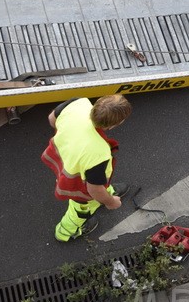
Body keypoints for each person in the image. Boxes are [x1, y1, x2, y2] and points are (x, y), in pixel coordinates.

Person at [40, 94, 131, 241]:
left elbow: (52, 119)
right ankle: (65, 232)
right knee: (80, 208)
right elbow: (93, 188)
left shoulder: (78, 103)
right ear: (112, 125)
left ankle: (107, 192)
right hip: (78, 183)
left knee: (99, 186)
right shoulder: (97, 153)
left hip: (64, 160)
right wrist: (111, 202)